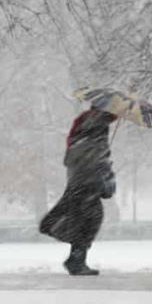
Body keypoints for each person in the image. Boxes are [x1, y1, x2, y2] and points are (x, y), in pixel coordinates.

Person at [39, 106, 118, 276]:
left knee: (85, 221)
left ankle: (75, 260)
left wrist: (102, 159)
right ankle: (75, 261)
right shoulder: (98, 125)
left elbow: (77, 155)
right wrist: (103, 163)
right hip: (87, 182)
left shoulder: (86, 126)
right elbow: (94, 154)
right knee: (89, 221)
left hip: (80, 181)